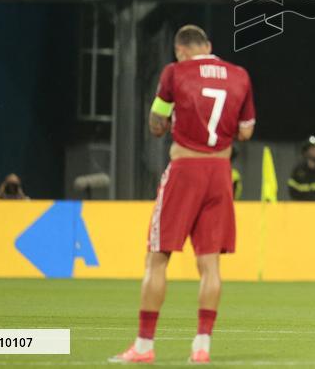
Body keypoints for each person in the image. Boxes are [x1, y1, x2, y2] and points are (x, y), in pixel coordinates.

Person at [110, 25, 256, 365]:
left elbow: (157, 124)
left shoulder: (175, 73)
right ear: (208, 45)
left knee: (157, 257)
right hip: (220, 173)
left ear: (180, 51)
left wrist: (172, 114)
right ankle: (201, 346)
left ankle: (144, 347)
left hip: (185, 170)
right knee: (209, 264)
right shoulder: (239, 75)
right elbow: (247, 131)